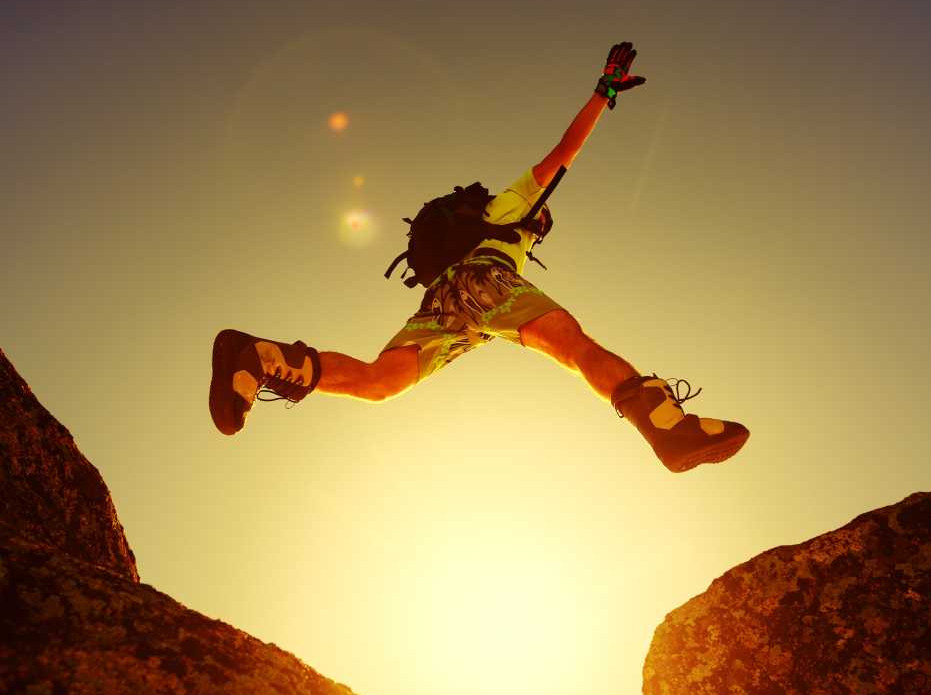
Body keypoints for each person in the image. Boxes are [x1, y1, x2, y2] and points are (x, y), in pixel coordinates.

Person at [209, 43, 749, 473]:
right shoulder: (510, 207)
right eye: (542, 224)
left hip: (447, 303)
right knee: (575, 346)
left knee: (380, 381)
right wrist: (603, 93)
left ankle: (258, 357)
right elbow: (564, 152)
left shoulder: (498, 231)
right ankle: (666, 426)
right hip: (485, 283)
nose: (540, 226)